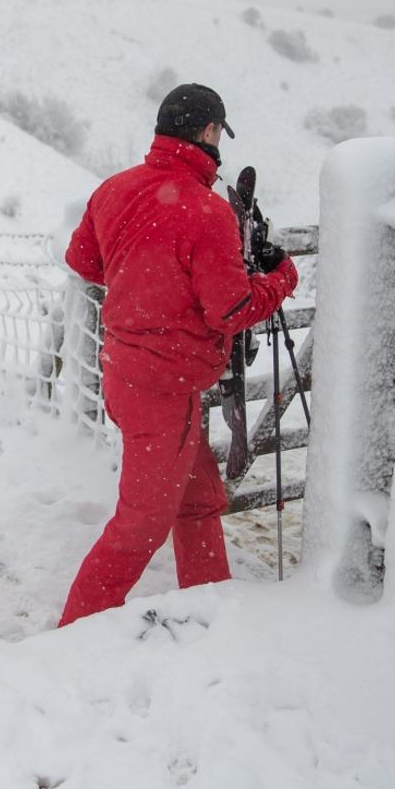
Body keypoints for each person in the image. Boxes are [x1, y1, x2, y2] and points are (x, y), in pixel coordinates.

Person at [56, 84, 298, 627]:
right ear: (210, 132)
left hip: (127, 372)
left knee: (197, 498)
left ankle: (209, 607)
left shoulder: (115, 189)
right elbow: (231, 310)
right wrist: (281, 277)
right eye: (218, 135)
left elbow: (82, 259)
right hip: (163, 391)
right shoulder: (207, 212)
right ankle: (71, 636)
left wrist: (141, 284)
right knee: (141, 523)